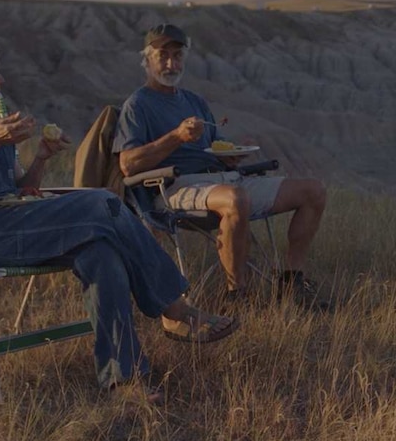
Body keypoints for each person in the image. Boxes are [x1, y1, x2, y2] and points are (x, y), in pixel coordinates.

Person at [0, 32, 238, 403]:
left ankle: (123, 380)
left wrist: (41, 157)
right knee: (102, 202)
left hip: (16, 222)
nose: (1, 80)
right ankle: (173, 307)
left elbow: (21, 188)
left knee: (101, 253)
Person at [112, 24, 329, 310]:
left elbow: (215, 146)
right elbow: (128, 165)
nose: (170, 63)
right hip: (173, 187)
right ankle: (237, 296)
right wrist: (176, 137)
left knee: (313, 191)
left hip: (223, 178)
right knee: (235, 198)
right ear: (147, 60)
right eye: (162, 55)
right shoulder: (137, 105)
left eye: (177, 56)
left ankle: (292, 282)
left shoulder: (194, 101)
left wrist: (231, 154)